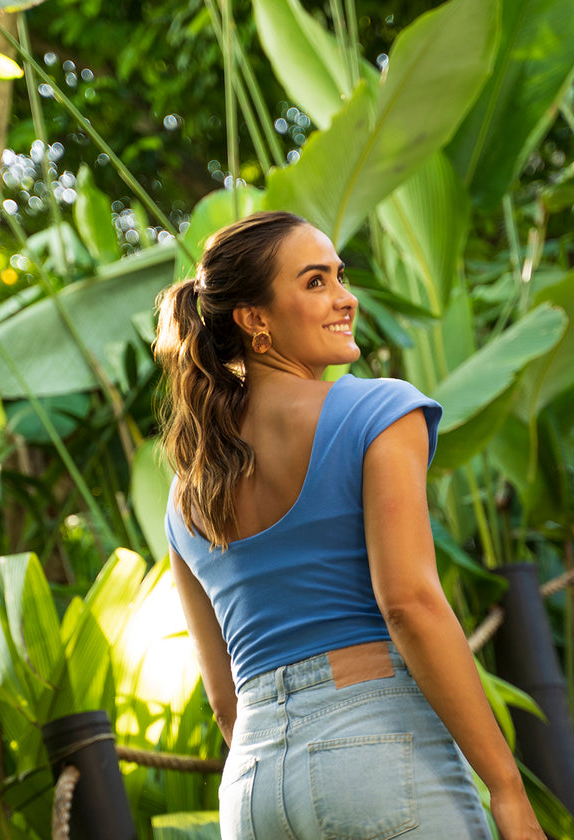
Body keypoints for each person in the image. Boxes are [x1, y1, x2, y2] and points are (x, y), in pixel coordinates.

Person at [155, 211, 545, 840]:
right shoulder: (377, 411)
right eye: (315, 282)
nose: (346, 298)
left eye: (340, 276)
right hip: (376, 756)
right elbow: (409, 604)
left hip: (252, 790)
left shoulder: (186, 492)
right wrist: (506, 787)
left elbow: (226, 703)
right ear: (254, 319)